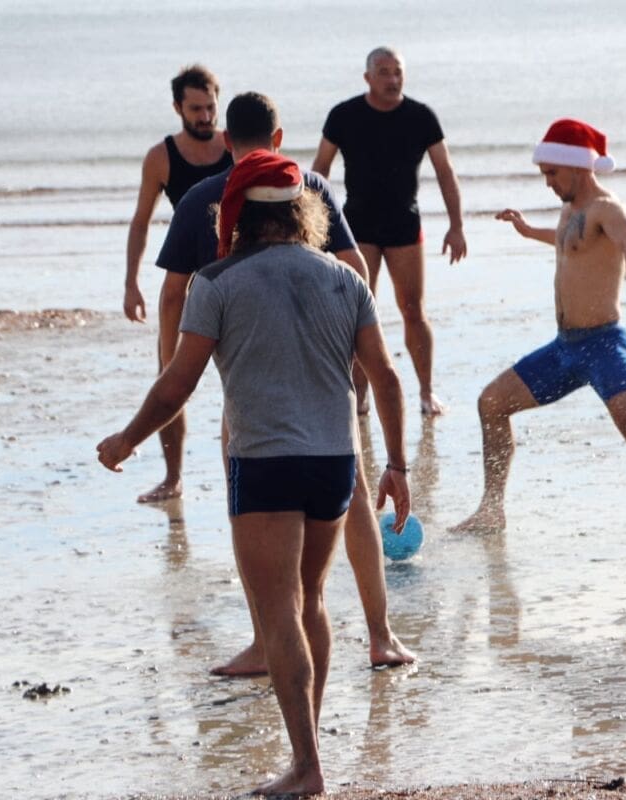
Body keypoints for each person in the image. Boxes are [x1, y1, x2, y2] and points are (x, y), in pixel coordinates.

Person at [99, 150, 410, 796]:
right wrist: (398, 464)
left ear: (236, 214)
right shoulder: (345, 279)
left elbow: (176, 385)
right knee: (313, 602)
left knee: (277, 614)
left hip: (264, 464)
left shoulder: (216, 282)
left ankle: (306, 766)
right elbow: (386, 376)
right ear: (305, 213)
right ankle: (309, 750)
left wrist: (128, 438)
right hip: (334, 463)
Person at [155, 91, 415, 673]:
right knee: (353, 500)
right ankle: (380, 636)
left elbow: (173, 294)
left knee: (251, 513)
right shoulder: (311, 189)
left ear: (226, 140)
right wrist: (352, 344)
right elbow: (357, 271)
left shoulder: (206, 198)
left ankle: (265, 640)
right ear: (278, 138)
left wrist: (172, 369)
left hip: (250, 389)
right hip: (327, 379)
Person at [451, 119, 626, 540]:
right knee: (492, 403)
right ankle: (491, 510)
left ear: (577, 166)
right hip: (565, 347)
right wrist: (530, 231)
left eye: (552, 172)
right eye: (544, 174)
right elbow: (571, 241)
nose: (547, 182)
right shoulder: (571, 210)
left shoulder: (608, 208)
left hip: (603, 345)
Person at [312, 45, 467, 418]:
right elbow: (319, 174)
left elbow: (445, 171)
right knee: (357, 312)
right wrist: (314, 231)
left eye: (397, 71)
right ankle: (358, 397)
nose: (392, 79)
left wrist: (457, 225)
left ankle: (427, 393)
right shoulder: (344, 115)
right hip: (357, 228)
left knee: (413, 310)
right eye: (383, 72)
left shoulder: (420, 117)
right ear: (367, 78)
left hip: (403, 225)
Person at [125, 64, 233, 503]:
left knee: (241, 381)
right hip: (184, 280)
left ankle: (239, 475)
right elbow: (141, 222)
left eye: (210, 107)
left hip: (235, 272)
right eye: (196, 109)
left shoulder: (234, 146)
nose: (205, 116)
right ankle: (173, 477)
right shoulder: (161, 157)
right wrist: (131, 283)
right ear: (177, 108)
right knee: (170, 377)